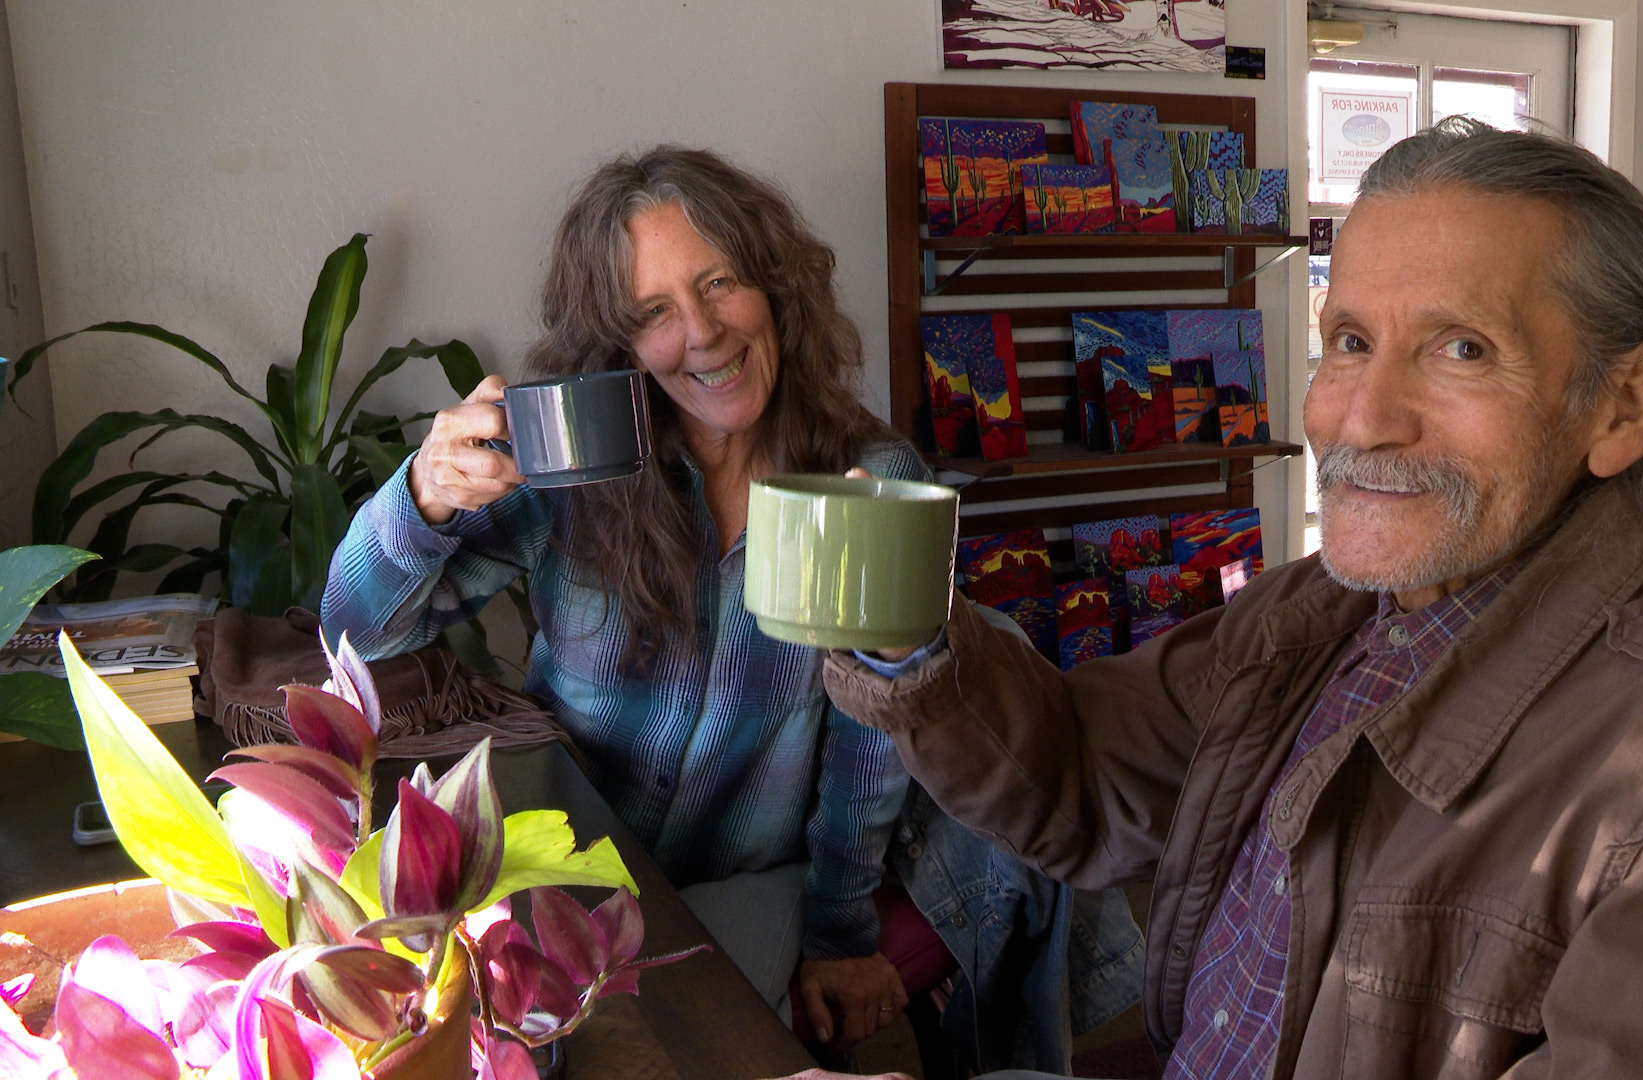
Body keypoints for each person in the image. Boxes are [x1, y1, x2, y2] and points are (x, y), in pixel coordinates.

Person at [796, 120, 1643, 1080]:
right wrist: (906, 627)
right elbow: (1084, 778)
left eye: (1461, 349)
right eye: (1349, 341)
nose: (1362, 418)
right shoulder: (1317, 613)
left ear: (1622, 408)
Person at [318, 147, 1141, 1061]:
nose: (703, 333)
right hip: (574, 883)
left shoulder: (864, 479)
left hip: (751, 889)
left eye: (720, 283)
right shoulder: (573, 468)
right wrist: (424, 494)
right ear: (619, 341)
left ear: (776, 286)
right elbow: (356, 631)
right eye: (654, 312)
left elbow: (867, 749)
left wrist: (839, 933)